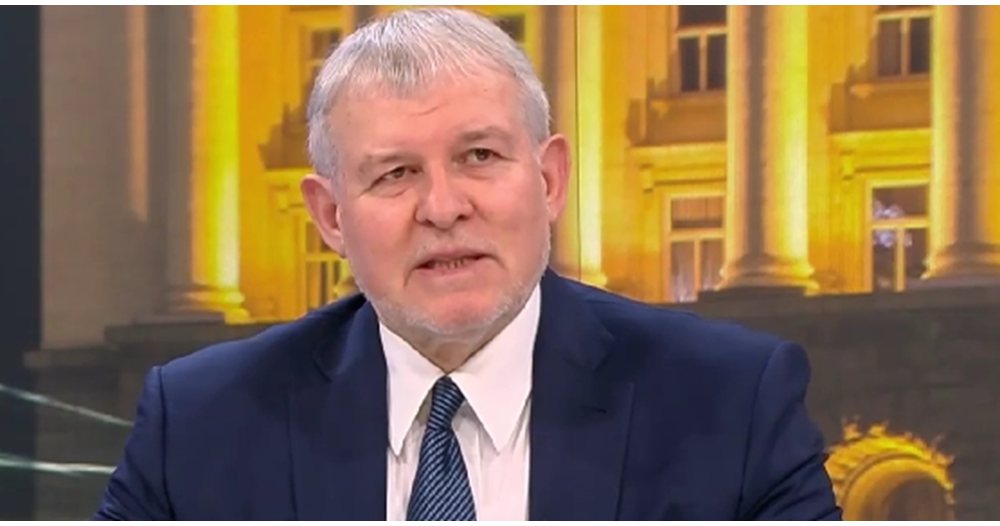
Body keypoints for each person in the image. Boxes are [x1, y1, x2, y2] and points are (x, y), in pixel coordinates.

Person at [95, 7, 841, 520]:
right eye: (395, 174)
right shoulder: (199, 423)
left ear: (549, 180)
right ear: (330, 217)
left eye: (479, 156)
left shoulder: (730, 403)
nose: (443, 207)